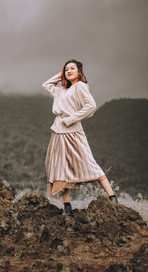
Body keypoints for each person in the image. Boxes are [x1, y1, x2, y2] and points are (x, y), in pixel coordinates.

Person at [42, 59, 118, 216]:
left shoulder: (80, 87)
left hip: (74, 130)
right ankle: (67, 207)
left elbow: (91, 106)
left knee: (89, 162)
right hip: (58, 131)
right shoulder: (61, 89)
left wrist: (71, 119)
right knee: (61, 168)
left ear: (79, 72)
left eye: (72, 69)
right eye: (66, 69)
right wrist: (61, 75)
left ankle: (113, 197)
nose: (69, 71)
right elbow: (46, 85)